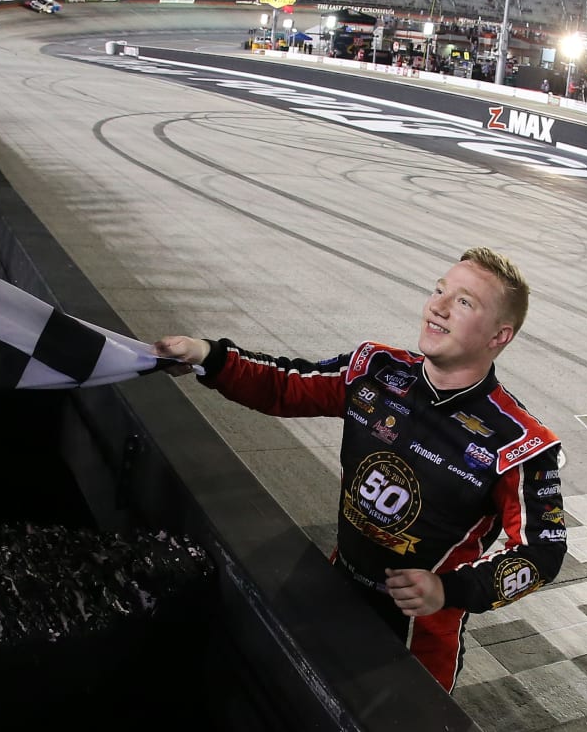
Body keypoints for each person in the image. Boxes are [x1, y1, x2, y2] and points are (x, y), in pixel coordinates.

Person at [155, 247, 566, 691]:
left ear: (498, 337)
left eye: (464, 302)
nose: (438, 306)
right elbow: (286, 385)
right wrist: (207, 355)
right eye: (440, 290)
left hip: (418, 641)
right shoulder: (374, 368)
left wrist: (449, 590)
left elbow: (542, 554)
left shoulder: (520, 443)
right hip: (335, 589)